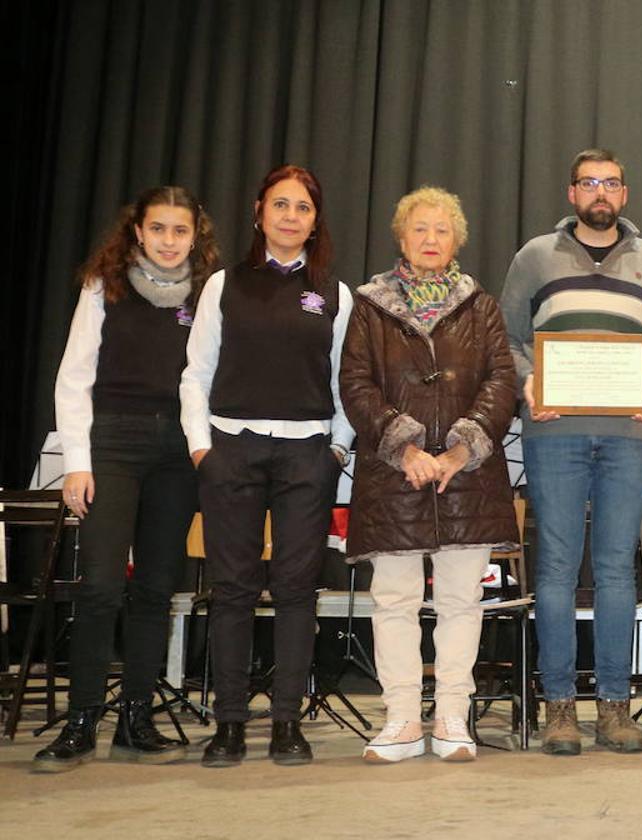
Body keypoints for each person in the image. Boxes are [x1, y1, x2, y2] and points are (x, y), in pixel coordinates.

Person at [499, 149, 642, 755]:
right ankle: (558, 709)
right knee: (554, 569)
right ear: (571, 192)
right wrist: (530, 386)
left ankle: (613, 708)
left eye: (610, 182)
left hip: (630, 435)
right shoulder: (535, 257)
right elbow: (507, 340)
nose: (599, 191)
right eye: (588, 183)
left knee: (614, 571)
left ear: (624, 194)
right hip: (554, 433)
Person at [34, 187, 219, 772]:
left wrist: (203, 448)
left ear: (196, 236)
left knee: (156, 589)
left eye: (180, 231)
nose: (169, 241)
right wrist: (78, 462)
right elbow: (74, 375)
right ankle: (83, 718)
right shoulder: (104, 286)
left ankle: (137, 718)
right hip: (111, 444)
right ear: (137, 232)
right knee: (99, 588)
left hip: (177, 452)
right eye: (158, 229)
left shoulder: (211, 293)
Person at [180, 164, 354, 767]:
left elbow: (345, 381)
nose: (290, 217)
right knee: (231, 591)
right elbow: (196, 372)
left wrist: (336, 446)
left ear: (315, 220)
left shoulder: (335, 292)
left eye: (302, 207)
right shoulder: (224, 284)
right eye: (280, 205)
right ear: (259, 212)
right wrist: (203, 446)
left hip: (308, 453)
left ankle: (287, 723)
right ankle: (228, 724)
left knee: (296, 590)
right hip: (233, 448)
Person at [340, 186, 518, 763]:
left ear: (456, 239)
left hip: (468, 478)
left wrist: (463, 448)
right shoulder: (369, 306)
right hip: (394, 477)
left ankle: (450, 718)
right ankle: (398, 720)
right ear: (401, 238)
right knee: (393, 598)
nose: (431, 239)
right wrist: (406, 446)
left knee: (462, 599)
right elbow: (356, 385)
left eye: (442, 230)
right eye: (421, 229)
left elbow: (501, 382)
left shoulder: (482, 306)